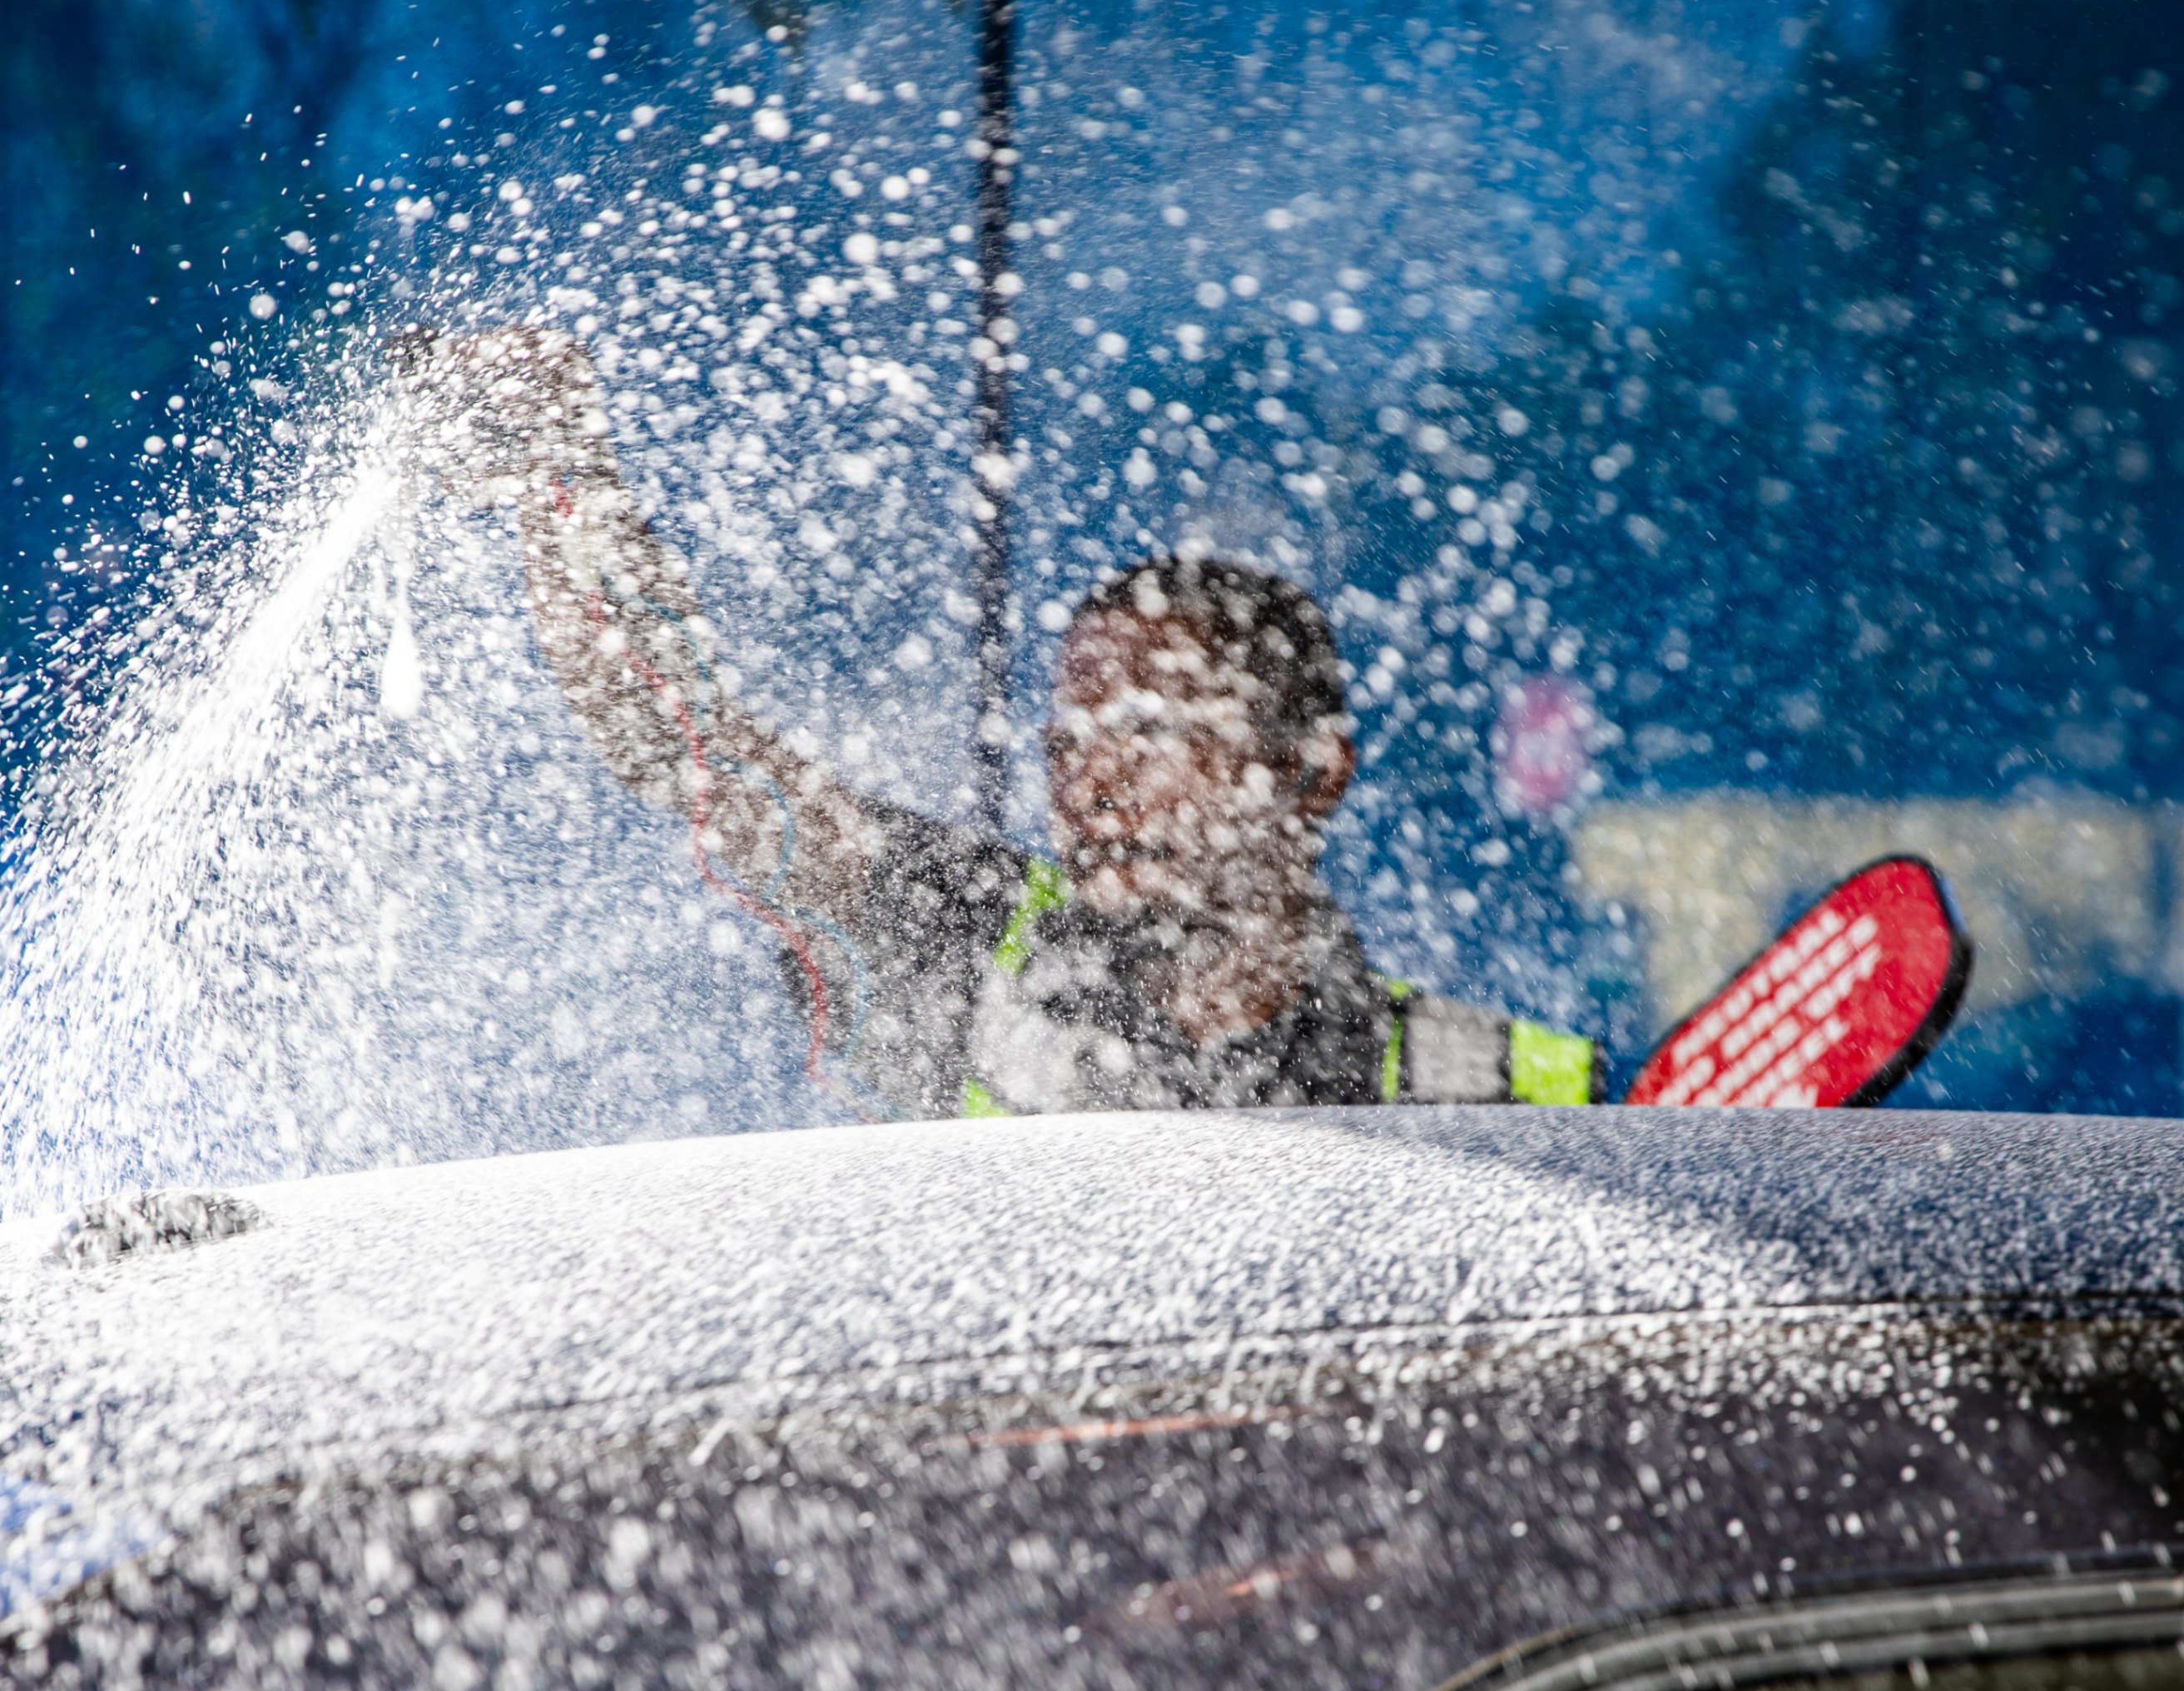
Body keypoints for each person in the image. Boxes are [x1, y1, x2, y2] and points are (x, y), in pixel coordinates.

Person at [404, 326, 1599, 1118]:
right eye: (1068, 743)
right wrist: (564, 479)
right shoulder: (959, 948)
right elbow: (691, 751)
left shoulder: (1518, 1098)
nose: (1094, 788)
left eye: (1149, 729)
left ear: (1313, 773)